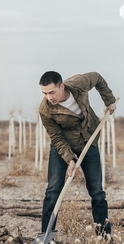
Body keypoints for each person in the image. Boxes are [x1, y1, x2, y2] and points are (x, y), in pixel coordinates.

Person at [39, 71, 116, 241]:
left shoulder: (79, 83)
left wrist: (109, 100)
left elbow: (97, 77)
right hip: (63, 146)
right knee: (53, 190)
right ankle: (46, 235)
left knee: (96, 190)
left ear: (62, 86)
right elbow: (57, 138)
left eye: (52, 92)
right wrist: (70, 160)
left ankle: (104, 235)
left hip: (88, 139)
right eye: (44, 93)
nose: (49, 97)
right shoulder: (45, 109)